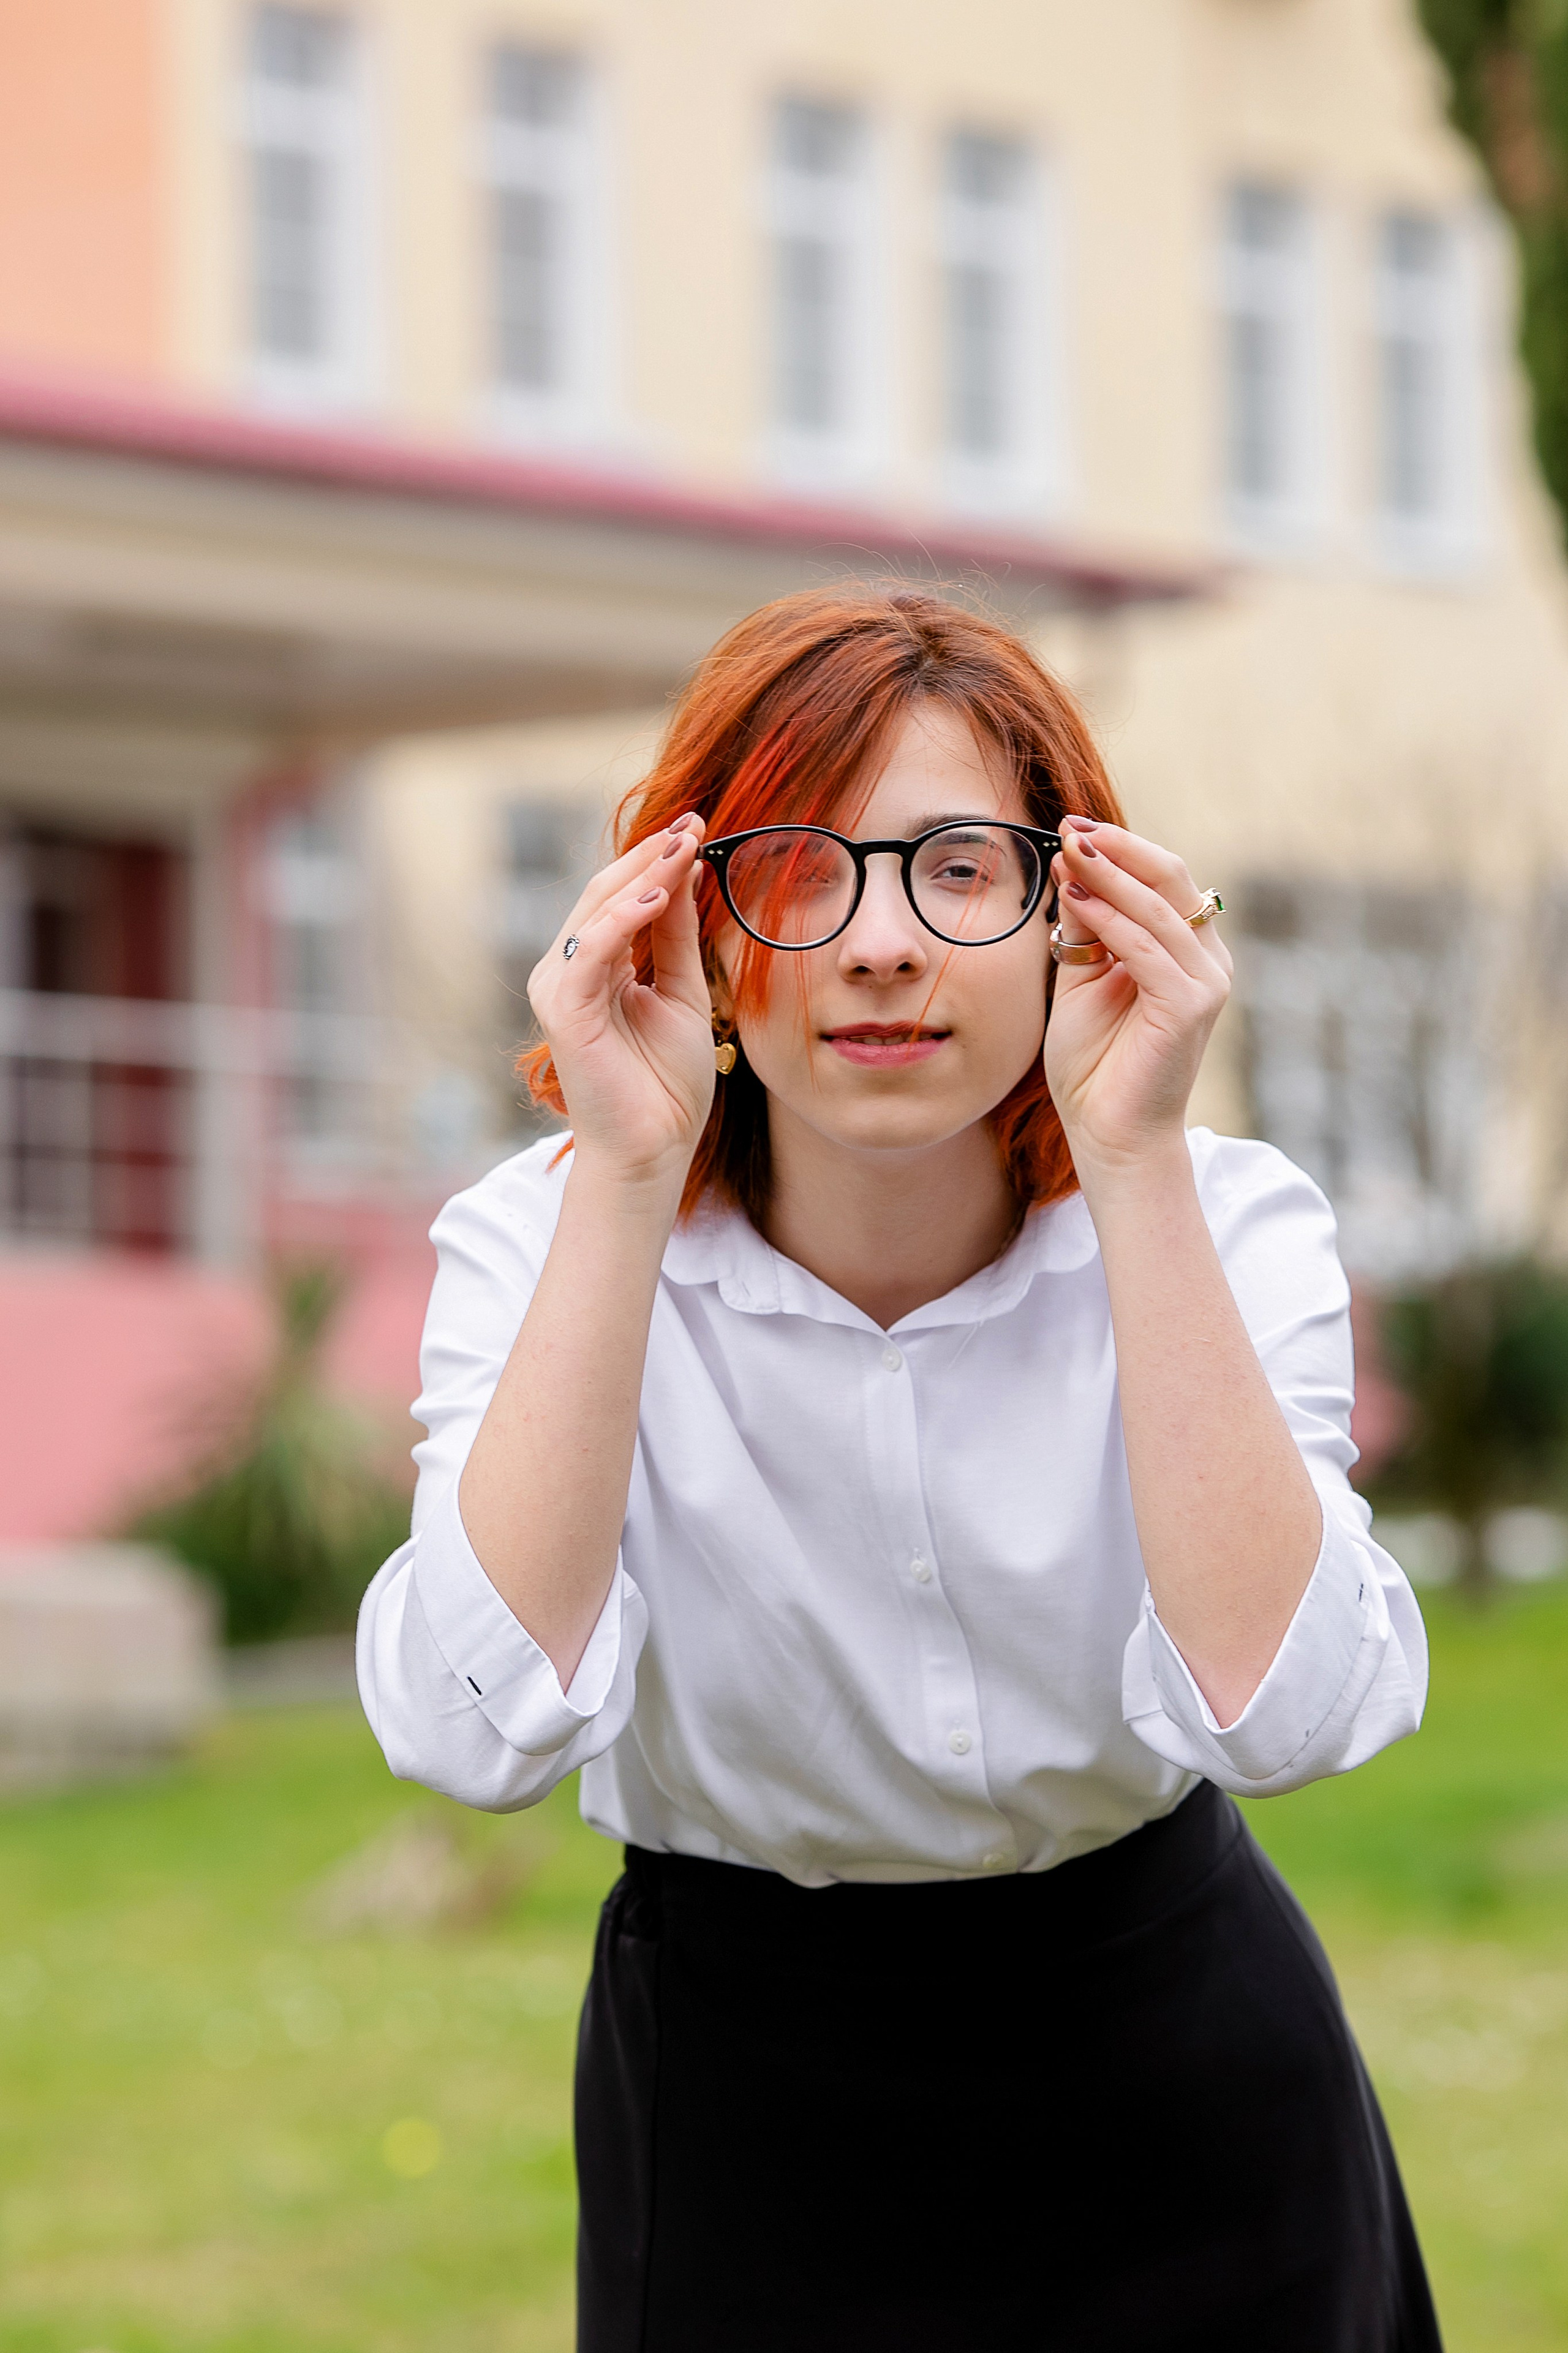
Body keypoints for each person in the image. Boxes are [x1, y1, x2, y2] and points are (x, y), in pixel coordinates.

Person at [357, 587, 1439, 2353]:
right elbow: (467, 1734)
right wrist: (627, 1180)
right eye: (799, 863)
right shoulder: (544, 1239)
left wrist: (1137, 1152)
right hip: (743, 2094)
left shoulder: (1223, 1217)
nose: (878, 944)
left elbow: (1292, 1719)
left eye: (956, 868)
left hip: (1181, 2057)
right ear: (690, 919)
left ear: (1070, 907)